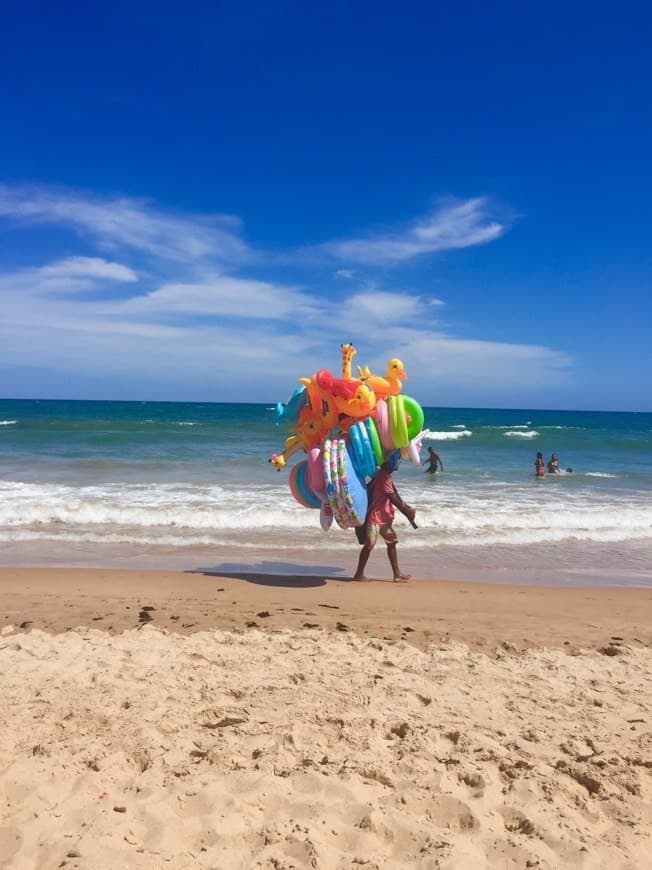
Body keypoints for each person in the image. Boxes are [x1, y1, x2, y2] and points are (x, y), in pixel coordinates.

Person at [353, 455, 416, 583]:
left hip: (383, 519)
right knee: (369, 545)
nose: (398, 463)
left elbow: (396, 494)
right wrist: (407, 513)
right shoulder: (383, 476)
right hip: (375, 519)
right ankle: (358, 574)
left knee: (392, 542)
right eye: (397, 461)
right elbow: (392, 498)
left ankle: (397, 574)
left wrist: (407, 507)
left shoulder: (385, 476)